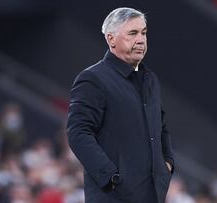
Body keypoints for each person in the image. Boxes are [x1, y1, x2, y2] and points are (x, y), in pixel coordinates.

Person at [67, 7, 175, 203]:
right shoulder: (92, 79)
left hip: (152, 196)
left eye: (143, 33)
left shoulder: (150, 79)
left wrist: (167, 165)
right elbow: (78, 133)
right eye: (132, 33)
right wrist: (110, 177)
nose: (141, 39)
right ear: (111, 39)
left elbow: (162, 127)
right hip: (113, 197)